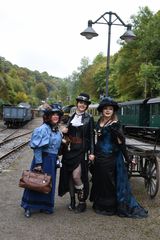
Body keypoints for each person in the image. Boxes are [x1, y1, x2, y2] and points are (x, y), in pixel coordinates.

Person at [90, 97, 148, 218]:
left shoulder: (115, 125)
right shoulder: (99, 122)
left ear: (113, 111)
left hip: (111, 156)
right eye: (105, 108)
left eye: (110, 109)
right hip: (99, 156)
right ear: (102, 110)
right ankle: (100, 204)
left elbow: (121, 143)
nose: (107, 111)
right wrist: (93, 153)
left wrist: (127, 158)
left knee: (109, 181)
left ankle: (109, 207)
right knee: (100, 180)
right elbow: (95, 139)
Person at [21, 103, 63, 218]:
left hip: (52, 160)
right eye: (53, 115)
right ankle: (28, 206)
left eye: (57, 115)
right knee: (35, 182)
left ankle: (45, 206)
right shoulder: (43, 129)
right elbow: (37, 147)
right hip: (42, 160)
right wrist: (38, 163)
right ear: (48, 116)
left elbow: (57, 147)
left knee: (47, 183)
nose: (56, 117)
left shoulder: (57, 130)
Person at [58, 93, 95, 213]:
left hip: (81, 151)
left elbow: (91, 137)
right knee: (69, 177)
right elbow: (66, 134)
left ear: (87, 106)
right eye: (80, 103)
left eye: (85, 103)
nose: (82, 105)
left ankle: (82, 201)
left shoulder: (89, 118)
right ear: (77, 103)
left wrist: (92, 152)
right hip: (69, 151)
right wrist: (64, 132)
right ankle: (72, 201)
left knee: (76, 176)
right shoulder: (71, 117)